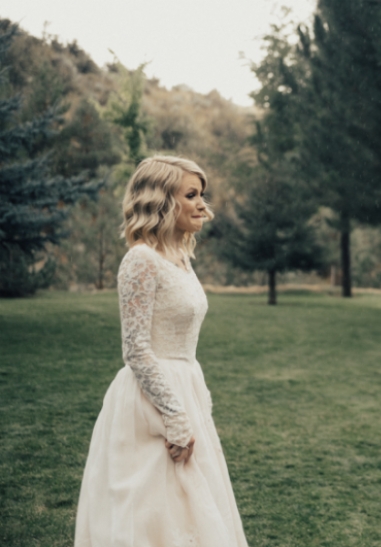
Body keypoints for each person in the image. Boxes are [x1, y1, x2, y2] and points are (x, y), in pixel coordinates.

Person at [75, 156, 248, 547]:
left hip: (186, 387)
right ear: (161, 201)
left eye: (202, 194)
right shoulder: (140, 260)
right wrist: (174, 415)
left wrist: (193, 402)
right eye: (191, 195)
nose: (203, 205)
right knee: (155, 511)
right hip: (151, 401)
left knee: (192, 507)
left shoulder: (182, 259)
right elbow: (135, 349)